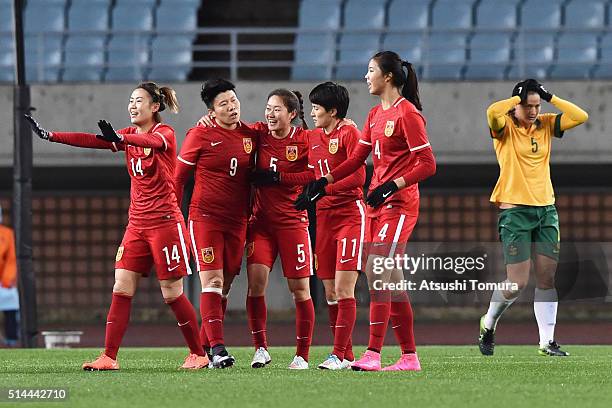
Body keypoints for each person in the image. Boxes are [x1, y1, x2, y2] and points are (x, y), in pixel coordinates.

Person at [25, 82, 208, 370]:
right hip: (136, 225)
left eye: (138, 101)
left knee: (171, 293)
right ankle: (109, 356)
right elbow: (90, 140)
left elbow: (152, 144)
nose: (132, 106)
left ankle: (199, 353)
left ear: (155, 107)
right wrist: (51, 136)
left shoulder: (165, 134)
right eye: (130, 101)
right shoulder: (127, 135)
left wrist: (123, 141)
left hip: (165, 224)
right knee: (121, 287)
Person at [300, 51, 436, 371]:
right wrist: (325, 181)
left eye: (371, 70)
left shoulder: (408, 114)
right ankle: (409, 357)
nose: (366, 76)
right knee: (393, 281)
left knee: (376, 272)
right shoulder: (375, 115)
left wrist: (392, 185)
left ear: (387, 76)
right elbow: (358, 158)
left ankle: (373, 354)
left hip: (399, 205)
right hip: (377, 205)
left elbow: (427, 164)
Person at [478, 79, 588, 357]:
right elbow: (492, 111)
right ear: (516, 105)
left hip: (546, 211)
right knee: (516, 283)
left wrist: (550, 96)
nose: (533, 111)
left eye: (537, 105)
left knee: (547, 279)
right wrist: (516, 100)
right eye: (528, 105)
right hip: (515, 212)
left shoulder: (547, 124)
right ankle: (489, 322)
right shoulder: (504, 128)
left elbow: (581, 116)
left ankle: (546, 341)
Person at [267, 82, 365, 370]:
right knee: (331, 292)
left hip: (349, 214)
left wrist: (324, 190)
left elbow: (359, 177)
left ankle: (336, 354)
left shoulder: (349, 133)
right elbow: (281, 138)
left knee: (345, 290)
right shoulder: (311, 137)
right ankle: (346, 356)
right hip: (324, 218)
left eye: (317, 108)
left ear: (333, 111)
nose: (311, 113)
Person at [174, 78, 258, 368]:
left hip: (237, 221)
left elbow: (284, 136)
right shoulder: (199, 134)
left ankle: (202, 350)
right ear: (212, 112)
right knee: (213, 281)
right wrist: (173, 215)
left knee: (225, 286)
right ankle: (219, 349)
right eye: (224, 104)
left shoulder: (251, 135)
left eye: (233, 100)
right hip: (205, 218)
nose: (232, 107)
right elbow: (178, 178)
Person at [0, 205, 19, 347]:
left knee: (11, 307)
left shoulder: (7, 233)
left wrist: (7, 280)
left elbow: (11, 259)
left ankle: (12, 339)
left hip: (3, 282)